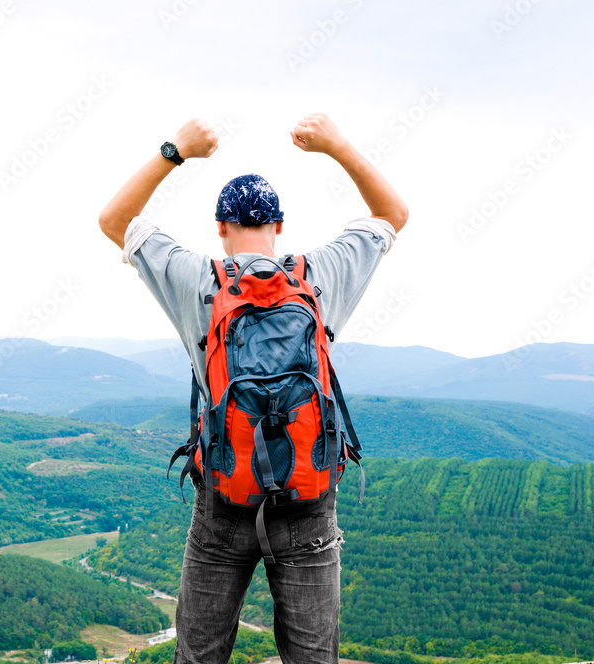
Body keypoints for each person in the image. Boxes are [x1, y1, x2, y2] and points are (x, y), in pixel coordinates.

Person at [98, 114, 408, 664]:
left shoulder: (197, 280)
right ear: (280, 226)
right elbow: (392, 214)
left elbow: (114, 219)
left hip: (223, 496)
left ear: (220, 227)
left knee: (199, 656)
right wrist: (335, 145)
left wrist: (178, 150)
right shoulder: (320, 276)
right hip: (308, 498)